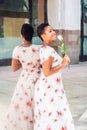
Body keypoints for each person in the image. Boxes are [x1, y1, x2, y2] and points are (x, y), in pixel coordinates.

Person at [34, 23, 75, 130]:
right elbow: (47, 72)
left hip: (53, 87)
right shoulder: (48, 50)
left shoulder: (48, 49)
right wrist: (63, 64)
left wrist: (63, 61)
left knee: (55, 115)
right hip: (50, 89)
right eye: (50, 31)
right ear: (43, 36)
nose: (53, 32)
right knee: (54, 116)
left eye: (53, 30)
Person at [3, 23, 41, 130]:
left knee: (24, 106)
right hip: (38, 78)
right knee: (38, 103)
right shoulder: (39, 49)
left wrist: (24, 63)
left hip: (25, 79)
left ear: (22, 36)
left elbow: (14, 68)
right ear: (32, 35)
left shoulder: (17, 49)